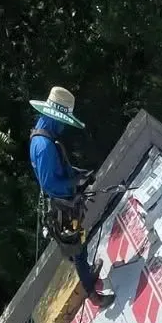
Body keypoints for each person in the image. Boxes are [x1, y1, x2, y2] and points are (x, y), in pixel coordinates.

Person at [27, 85, 107, 300]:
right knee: (77, 249)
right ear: (54, 117)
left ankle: (87, 272)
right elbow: (49, 184)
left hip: (65, 201)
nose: (64, 127)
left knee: (78, 243)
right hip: (63, 206)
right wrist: (76, 183)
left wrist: (79, 173)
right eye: (63, 122)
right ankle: (93, 293)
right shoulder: (44, 146)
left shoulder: (40, 135)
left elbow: (59, 169)